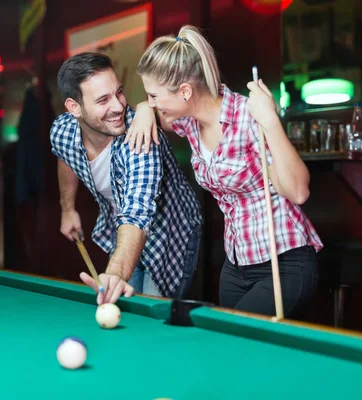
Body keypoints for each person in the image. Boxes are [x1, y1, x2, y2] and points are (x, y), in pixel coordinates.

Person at [128, 25, 323, 318]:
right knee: (233, 355)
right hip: (235, 265)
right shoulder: (189, 121)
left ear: (185, 91)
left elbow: (298, 191)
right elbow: (160, 116)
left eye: (154, 95)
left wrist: (270, 121)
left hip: (282, 262)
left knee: (242, 349)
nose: (153, 102)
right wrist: (144, 109)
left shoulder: (248, 117)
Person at [50, 52, 203, 305]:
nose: (119, 106)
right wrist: (67, 208)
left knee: (149, 318)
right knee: (124, 307)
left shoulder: (140, 139)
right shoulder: (63, 131)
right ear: (74, 108)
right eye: (103, 100)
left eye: (119, 92)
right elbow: (65, 156)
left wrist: (114, 273)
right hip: (121, 228)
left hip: (169, 231)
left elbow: (136, 213)